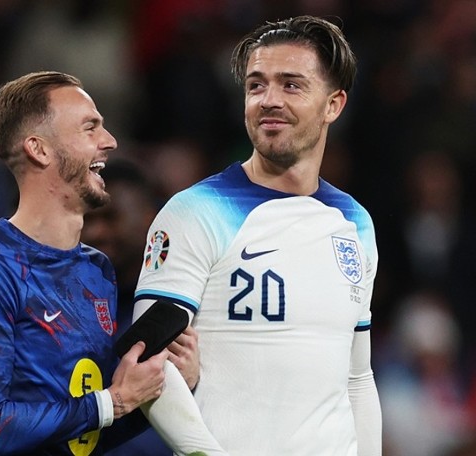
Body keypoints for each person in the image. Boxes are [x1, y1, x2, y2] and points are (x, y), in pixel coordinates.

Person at [0, 71, 225, 456]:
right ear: (39, 149)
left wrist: (159, 387)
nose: (109, 142)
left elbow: (86, 435)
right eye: (90, 128)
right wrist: (115, 401)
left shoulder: (96, 270)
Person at [133, 15, 383, 455]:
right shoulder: (196, 212)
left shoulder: (355, 223)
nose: (269, 100)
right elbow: (149, 362)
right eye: (256, 85)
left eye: (291, 85)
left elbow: (357, 378)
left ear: (334, 105)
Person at [82, 158, 200, 455]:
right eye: (88, 220)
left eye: (111, 218)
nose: (95, 233)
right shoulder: (63, 310)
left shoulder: (189, 308)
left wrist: (195, 381)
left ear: (152, 220)